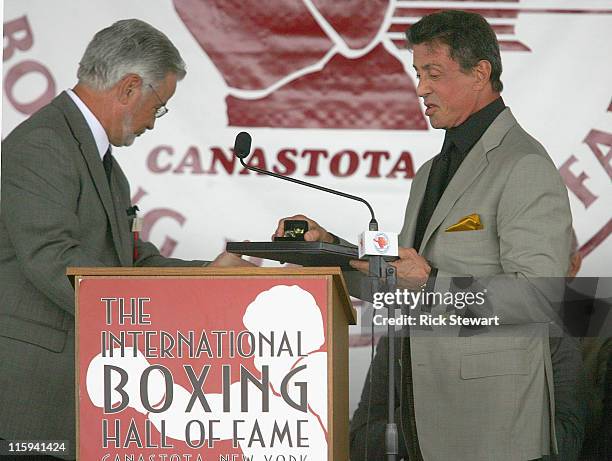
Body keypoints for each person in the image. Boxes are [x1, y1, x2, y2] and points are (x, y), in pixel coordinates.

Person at [274, 10, 573, 461]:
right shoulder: (431, 171)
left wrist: (433, 284)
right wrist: (325, 251)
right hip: (419, 409)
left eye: (434, 73)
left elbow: (541, 297)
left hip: (490, 421)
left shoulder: (523, 165)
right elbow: (400, 287)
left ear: (480, 73)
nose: (420, 89)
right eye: (417, 73)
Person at [0, 19, 248, 460]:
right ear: (130, 87)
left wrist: (210, 274)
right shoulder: (44, 144)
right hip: (32, 400)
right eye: (160, 105)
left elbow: (129, 261)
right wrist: (145, 317)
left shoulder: (102, 162)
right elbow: (54, 262)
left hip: (77, 390)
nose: (154, 121)